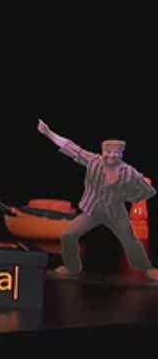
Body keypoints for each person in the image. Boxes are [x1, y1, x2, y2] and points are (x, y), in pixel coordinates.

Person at [36, 119, 157, 281]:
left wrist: (135, 191)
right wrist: (48, 133)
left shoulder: (128, 171)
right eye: (108, 152)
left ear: (121, 154)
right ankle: (72, 266)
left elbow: (148, 190)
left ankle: (147, 269)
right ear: (103, 151)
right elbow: (71, 148)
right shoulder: (93, 161)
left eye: (116, 153)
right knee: (69, 236)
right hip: (92, 210)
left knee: (130, 240)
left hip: (115, 213)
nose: (112, 155)